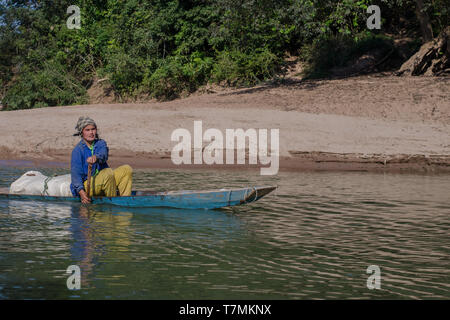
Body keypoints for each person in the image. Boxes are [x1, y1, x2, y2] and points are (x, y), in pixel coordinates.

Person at [70, 116, 133, 204]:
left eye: (93, 129)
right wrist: (82, 194)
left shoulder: (101, 143)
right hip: (87, 185)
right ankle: (112, 202)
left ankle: (125, 200)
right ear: (82, 132)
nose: (91, 132)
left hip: (106, 180)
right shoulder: (78, 150)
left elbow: (104, 155)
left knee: (126, 169)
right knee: (107, 173)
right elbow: (75, 176)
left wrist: (96, 157)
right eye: (87, 130)